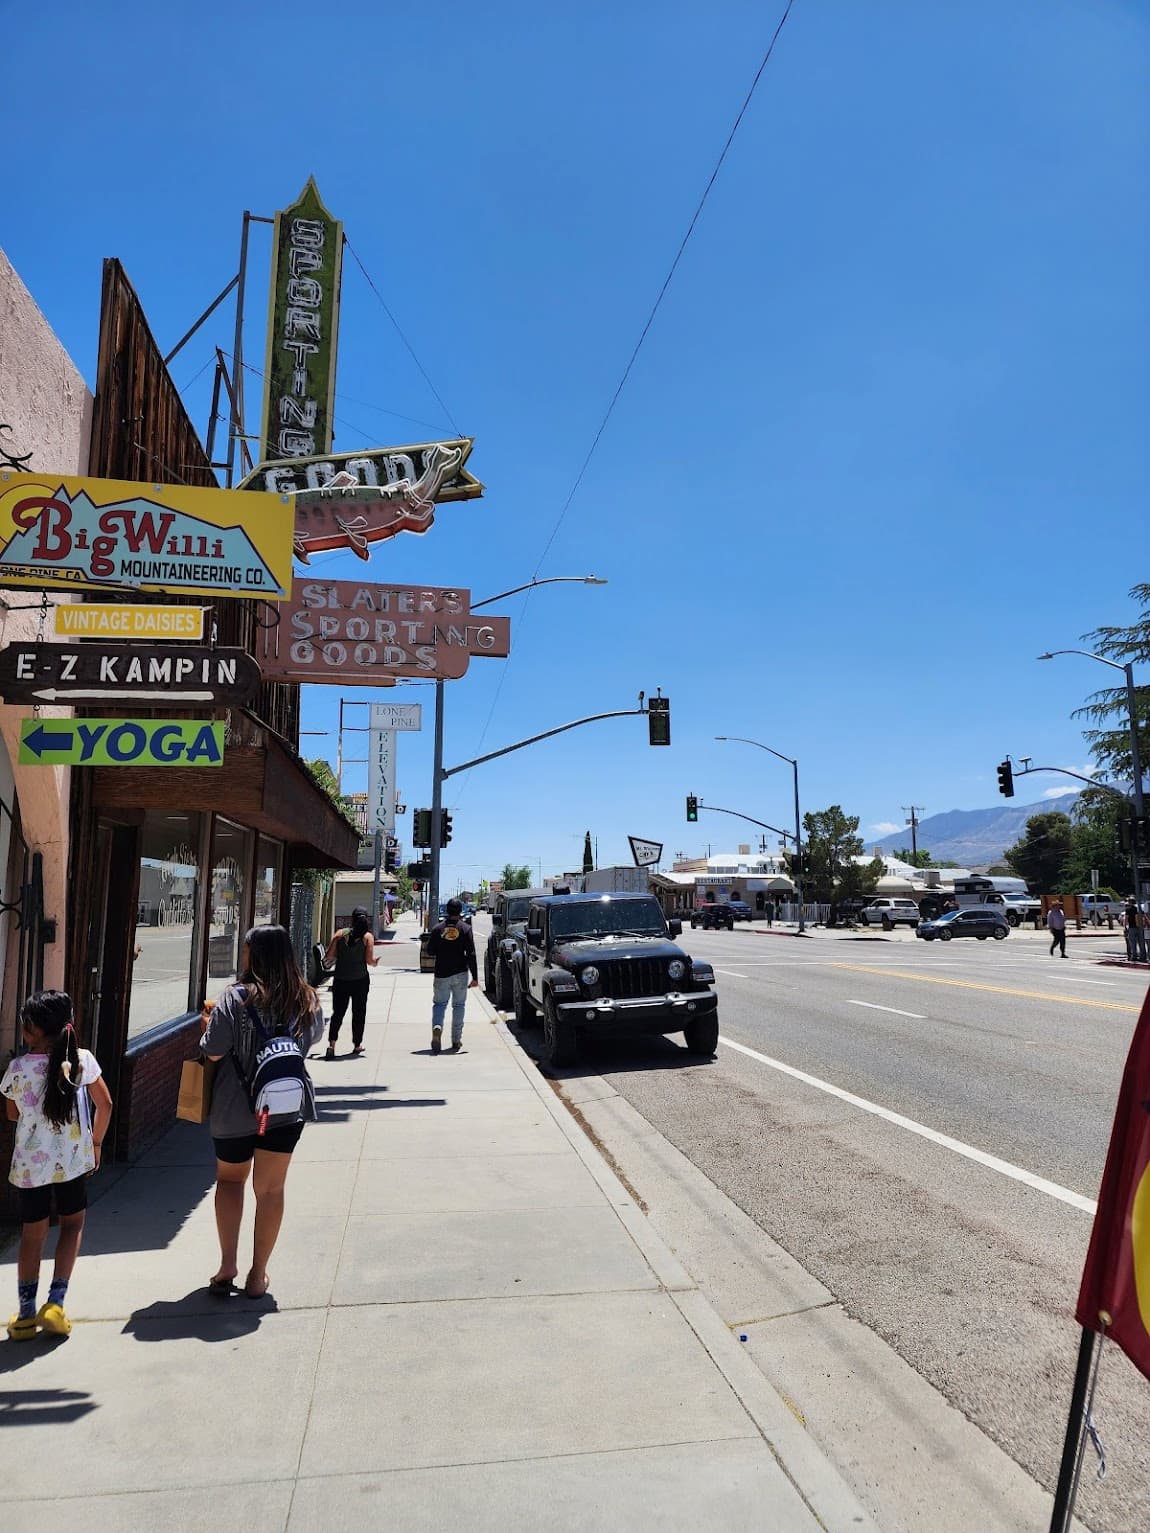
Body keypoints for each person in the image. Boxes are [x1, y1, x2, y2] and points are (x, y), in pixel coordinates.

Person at [200, 924, 324, 1299]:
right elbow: (310, 1042)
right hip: (284, 1107)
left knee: (230, 1181)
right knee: (271, 1190)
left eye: (245, 949)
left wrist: (207, 1026)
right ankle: (258, 1274)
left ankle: (227, 1266)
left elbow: (213, 1051)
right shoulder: (305, 998)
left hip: (234, 1108)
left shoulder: (234, 998)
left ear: (253, 954)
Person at [2, 991, 113, 1340]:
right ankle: (56, 1304)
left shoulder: (18, 1069)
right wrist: (96, 1144)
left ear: (29, 1030)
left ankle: (25, 1315)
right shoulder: (82, 1061)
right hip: (73, 1162)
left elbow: (12, 1114)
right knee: (72, 1225)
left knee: (32, 1235)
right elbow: (106, 1104)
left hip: (30, 1168)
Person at [323, 906, 379, 1060]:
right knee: (359, 1013)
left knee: (338, 1013)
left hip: (341, 979)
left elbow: (329, 956)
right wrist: (375, 962)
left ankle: (331, 1044)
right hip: (360, 980)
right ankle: (357, 1044)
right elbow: (369, 961)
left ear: (352, 919)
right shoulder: (367, 937)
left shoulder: (340, 934)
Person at [426, 897, 478, 1054]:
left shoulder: (437, 929)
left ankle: (437, 1027)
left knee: (440, 1004)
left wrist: (442, 948)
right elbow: (471, 954)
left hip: (441, 973)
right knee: (459, 1006)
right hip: (460, 973)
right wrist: (475, 977)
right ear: (460, 911)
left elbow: (430, 951)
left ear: (447, 911)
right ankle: (456, 1040)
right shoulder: (465, 929)